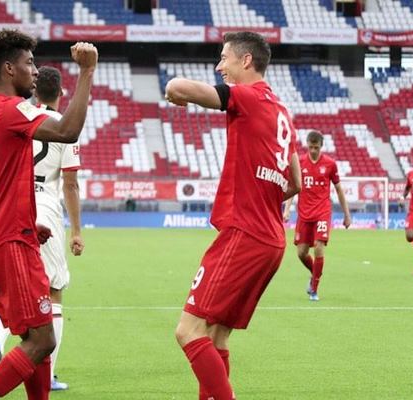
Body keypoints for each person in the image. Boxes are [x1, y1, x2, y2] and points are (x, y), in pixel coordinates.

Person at [165, 31, 301, 400]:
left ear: (246, 60)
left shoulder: (247, 96)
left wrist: (174, 92)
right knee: (216, 335)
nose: (218, 66)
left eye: (224, 58)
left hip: (244, 232)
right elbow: (296, 182)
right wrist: (263, 193)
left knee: (188, 331)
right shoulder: (282, 112)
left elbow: (179, 86)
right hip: (271, 239)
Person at [0, 29, 96, 400]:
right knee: (41, 340)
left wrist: (24, 220)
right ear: (9, 68)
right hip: (9, 242)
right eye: (29, 63)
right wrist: (87, 71)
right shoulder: (13, 109)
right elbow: (68, 130)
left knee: (37, 335)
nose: (35, 71)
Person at [0, 66, 85, 391]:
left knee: (19, 291)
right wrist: (76, 231)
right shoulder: (57, 124)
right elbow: (70, 184)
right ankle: (49, 372)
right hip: (45, 209)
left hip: (14, 208)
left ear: (36, 90)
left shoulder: (19, 117)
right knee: (53, 291)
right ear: (61, 93)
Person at [283, 130, 351, 301]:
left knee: (319, 247)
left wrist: (347, 214)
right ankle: (315, 274)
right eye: (311, 147)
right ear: (307, 145)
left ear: (321, 146)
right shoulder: (300, 162)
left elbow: (339, 189)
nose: (313, 150)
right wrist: (287, 209)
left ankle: (314, 289)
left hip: (322, 212)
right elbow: (294, 186)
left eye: (316, 147)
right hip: (304, 214)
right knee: (301, 253)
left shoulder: (330, 164)